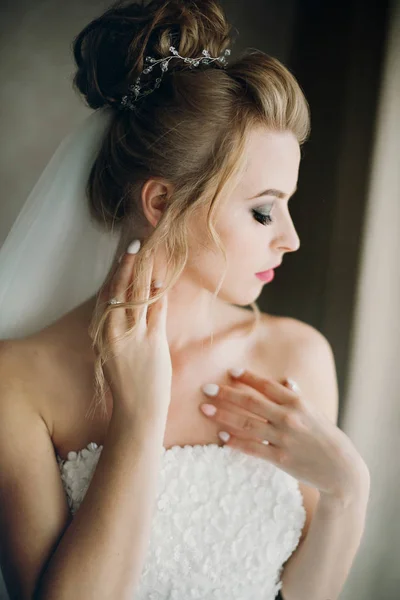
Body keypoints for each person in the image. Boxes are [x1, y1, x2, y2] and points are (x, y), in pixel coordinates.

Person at [0, 0, 371, 598]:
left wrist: (347, 493)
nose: (292, 238)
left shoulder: (299, 358)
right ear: (159, 202)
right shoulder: (16, 382)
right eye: (262, 210)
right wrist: (139, 418)